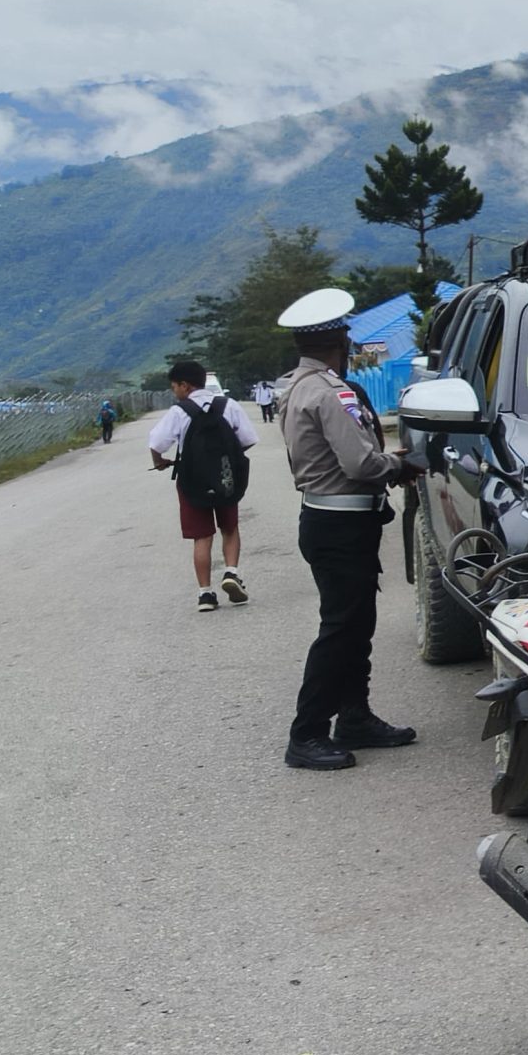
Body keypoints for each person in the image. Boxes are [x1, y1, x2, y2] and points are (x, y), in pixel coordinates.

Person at [275, 289, 422, 771]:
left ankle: (354, 716)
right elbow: (360, 463)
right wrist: (400, 466)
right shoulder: (329, 391)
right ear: (339, 339)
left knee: (357, 625)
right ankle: (308, 732)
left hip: (331, 519)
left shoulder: (298, 385)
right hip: (341, 522)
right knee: (341, 629)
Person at [146, 360, 258, 612]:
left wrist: (160, 462)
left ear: (185, 386)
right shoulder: (228, 405)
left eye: (174, 386)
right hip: (226, 477)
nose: (174, 391)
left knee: (202, 536)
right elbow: (248, 439)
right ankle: (231, 572)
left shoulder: (179, 411)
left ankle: (205, 594)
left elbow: (156, 442)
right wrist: (228, 458)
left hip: (192, 480)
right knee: (229, 527)